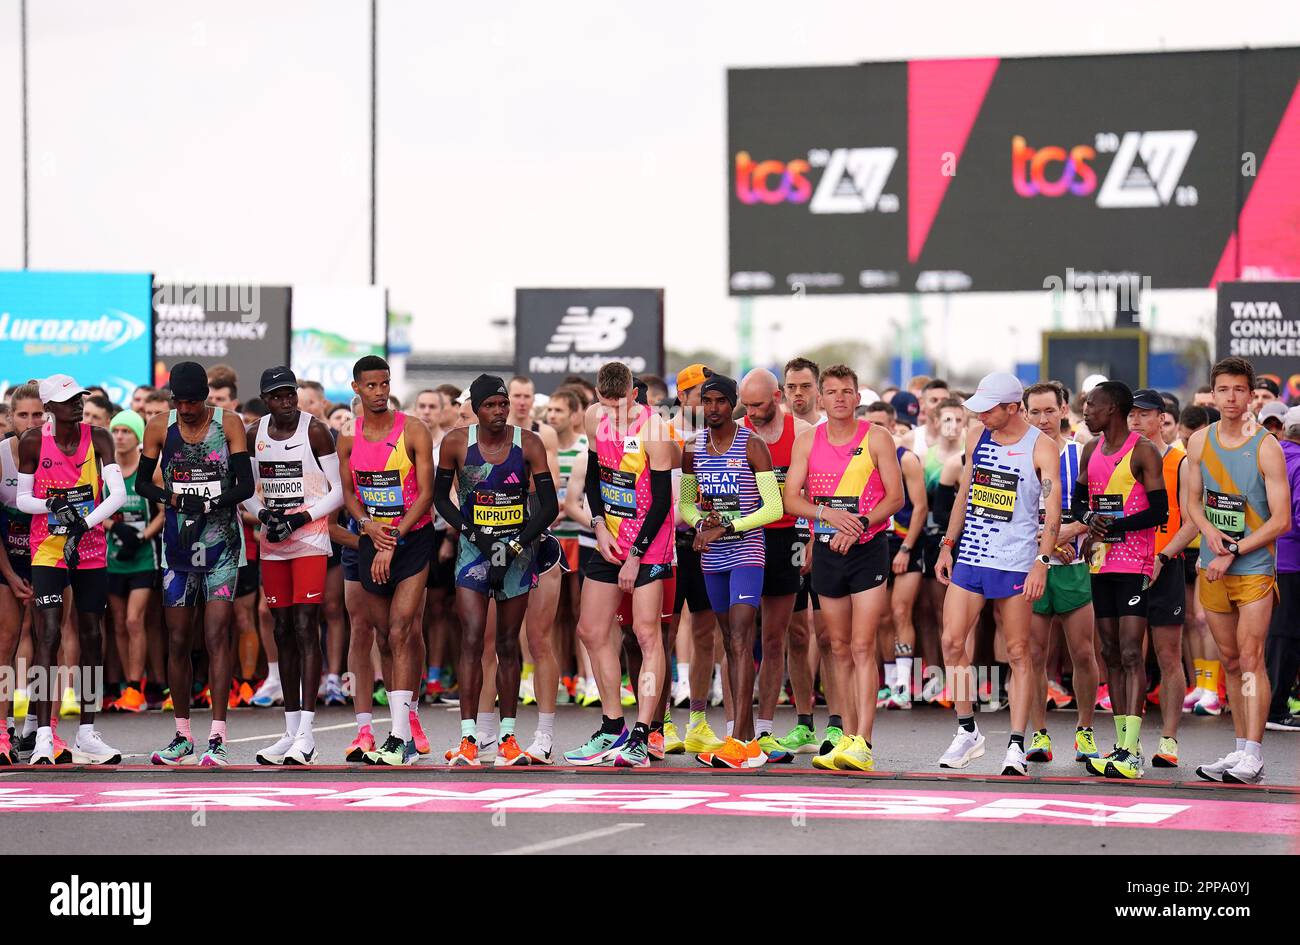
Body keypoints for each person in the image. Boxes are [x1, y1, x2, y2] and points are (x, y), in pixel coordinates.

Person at [934, 372, 1060, 776]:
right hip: (971, 554)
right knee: (952, 642)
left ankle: (1017, 745)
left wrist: (1042, 560)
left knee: (1019, 653)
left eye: (988, 409)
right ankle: (968, 730)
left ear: (1012, 408)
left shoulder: (1042, 446)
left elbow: (1052, 511)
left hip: (1016, 560)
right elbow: (965, 496)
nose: (980, 415)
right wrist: (947, 545)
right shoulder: (978, 435)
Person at [782, 365, 905, 772]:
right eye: (830, 392)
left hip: (869, 549)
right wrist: (828, 515)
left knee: (863, 645)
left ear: (857, 398)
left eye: (846, 391)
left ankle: (864, 742)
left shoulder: (877, 437)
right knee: (837, 648)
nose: (838, 398)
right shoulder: (806, 441)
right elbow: (790, 499)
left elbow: (896, 498)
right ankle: (847, 737)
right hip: (826, 548)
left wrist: (862, 525)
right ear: (821, 399)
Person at [434, 374, 558, 766]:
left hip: (517, 551)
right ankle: (469, 737)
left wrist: (517, 543)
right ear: (476, 408)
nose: (500, 412)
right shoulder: (456, 443)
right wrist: (474, 533)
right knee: (471, 637)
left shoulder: (529, 444)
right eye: (491, 405)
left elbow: (549, 506)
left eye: (503, 405)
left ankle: (507, 736)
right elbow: (440, 498)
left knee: (507, 642)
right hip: (475, 550)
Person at [136, 362, 254, 766]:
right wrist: (174, 500)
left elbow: (246, 485)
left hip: (221, 542)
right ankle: (182, 735)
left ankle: (217, 737)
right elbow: (141, 484)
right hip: (178, 546)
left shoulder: (230, 424)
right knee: (177, 639)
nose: (186, 409)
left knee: (217, 634)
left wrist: (210, 501)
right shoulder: (158, 426)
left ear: (205, 398)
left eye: (193, 402)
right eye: (179, 402)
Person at [1185, 358, 1292, 783]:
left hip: (1253, 568)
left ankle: (1254, 752)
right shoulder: (1198, 442)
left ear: (1251, 395)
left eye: (1239, 390)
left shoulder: (1267, 446)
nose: (1231, 398)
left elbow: (1281, 519)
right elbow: (1193, 501)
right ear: (1213, 394)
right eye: (1223, 390)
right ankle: (1238, 749)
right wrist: (1211, 534)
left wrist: (1234, 549)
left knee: (1251, 659)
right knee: (1229, 660)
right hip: (1212, 566)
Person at [564, 362, 676, 767]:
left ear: (633, 394)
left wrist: (635, 556)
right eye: (607, 405)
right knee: (591, 630)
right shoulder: (595, 418)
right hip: (610, 537)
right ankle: (613, 726)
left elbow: (662, 501)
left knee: (647, 634)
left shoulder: (654, 429)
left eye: (621, 405)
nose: (614, 414)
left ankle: (644, 734)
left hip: (650, 544)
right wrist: (598, 525)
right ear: (597, 395)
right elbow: (594, 478)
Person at [15, 375, 128, 764]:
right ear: (49, 407)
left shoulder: (99, 438)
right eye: (67, 400)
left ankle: (87, 733)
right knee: (47, 633)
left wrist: (85, 522)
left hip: (91, 547)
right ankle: (44, 734)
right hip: (47, 548)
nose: (77, 404)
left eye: (79, 397)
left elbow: (119, 494)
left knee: (92, 635)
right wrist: (53, 507)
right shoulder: (33, 441)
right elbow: (23, 498)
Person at [681, 373, 783, 767]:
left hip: (747, 552)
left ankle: (745, 740)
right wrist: (700, 524)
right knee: (728, 641)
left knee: (742, 637)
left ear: (733, 403)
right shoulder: (693, 450)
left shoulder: (753, 446)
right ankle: (738, 737)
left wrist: (729, 526)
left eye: (720, 401)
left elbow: (773, 508)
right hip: (713, 557)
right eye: (706, 402)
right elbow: (687, 504)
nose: (712, 408)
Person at [337, 357, 435, 766]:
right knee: (380, 636)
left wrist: (391, 538)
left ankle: (400, 735)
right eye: (372, 386)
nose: (380, 392)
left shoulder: (413, 429)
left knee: (401, 630)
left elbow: (427, 493)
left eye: (385, 384)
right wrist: (366, 526)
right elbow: (348, 494)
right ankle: (397, 731)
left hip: (410, 539)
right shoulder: (347, 436)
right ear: (356, 388)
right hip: (370, 540)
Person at [246, 367, 344, 766]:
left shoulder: (316, 431)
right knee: (281, 627)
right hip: (274, 543)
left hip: (309, 539)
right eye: (277, 396)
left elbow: (338, 491)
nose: (286, 401)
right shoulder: (255, 434)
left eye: (291, 394)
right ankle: (288, 732)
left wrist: (301, 518)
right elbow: (250, 492)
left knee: (306, 625)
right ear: (266, 399)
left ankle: (307, 732)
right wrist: (263, 515)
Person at [1072, 382, 1168, 780]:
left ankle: (1132, 749)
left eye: (1091, 405)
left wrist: (1117, 526)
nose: (1086, 410)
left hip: (1135, 563)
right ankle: (1119, 743)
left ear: (1112, 409)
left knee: (1131, 652)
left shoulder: (1143, 451)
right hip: (1100, 562)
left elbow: (1159, 511)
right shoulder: (1091, 450)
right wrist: (1090, 520)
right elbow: (1079, 500)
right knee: (1109, 651)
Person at [1020, 383, 1099, 765]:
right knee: (1033, 654)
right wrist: (1043, 544)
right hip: (1029, 565)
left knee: (1082, 652)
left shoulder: (1082, 454)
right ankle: (1039, 734)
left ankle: (1085, 732)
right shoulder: (1016, 455)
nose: (1042, 419)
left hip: (1072, 567)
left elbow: (1100, 511)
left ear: (1064, 409)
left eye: (1049, 411)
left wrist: (1071, 531)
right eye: (1034, 412)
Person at [740, 369, 815, 753]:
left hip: (788, 536)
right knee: (736, 637)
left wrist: (811, 538)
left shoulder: (801, 431)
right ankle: (738, 729)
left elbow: (812, 490)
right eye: (746, 405)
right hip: (745, 534)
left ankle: (767, 728)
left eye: (759, 404)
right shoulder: (738, 431)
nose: (751, 412)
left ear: (776, 395)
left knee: (779, 636)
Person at [1129, 388, 1201, 768]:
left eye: (1144, 414)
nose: (1136, 420)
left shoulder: (1180, 461)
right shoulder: (1118, 457)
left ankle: (1169, 740)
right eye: (1131, 414)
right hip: (1124, 565)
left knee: (1169, 655)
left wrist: (1163, 555)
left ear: (1161, 418)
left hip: (1164, 564)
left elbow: (1193, 522)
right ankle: (1129, 740)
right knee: (1128, 656)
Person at [863, 401, 929, 712]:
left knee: (901, 612)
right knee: (881, 617)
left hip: (905, 543)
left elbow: (920, 507)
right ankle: (889, 681)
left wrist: (905, 548)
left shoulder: (907, 459)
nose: (875, 429)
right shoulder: (859, 459)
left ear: (892, 426)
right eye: (870, 423)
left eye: (881, 423)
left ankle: (903, 684)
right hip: (874, 542)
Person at [104, 410, 163, 713]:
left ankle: (134, 687)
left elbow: (165, 512)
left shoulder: (148, 470)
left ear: (138, 436)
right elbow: (93, 509)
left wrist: (141, 537)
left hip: (143, 557)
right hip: (113, 557)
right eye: (116, 430)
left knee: (133, 619)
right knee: (118, 623)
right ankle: (128, 687)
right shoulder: (106, 470)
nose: (121, 436)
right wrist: (115, 527)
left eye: (127, 431)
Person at [1265, 405, 1300, 732]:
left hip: (1269, 557)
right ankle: (1275, 709)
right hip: (1293, 558)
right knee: (1285, 636)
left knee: (1277, 635)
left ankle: (1272, 705)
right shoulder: (1299, 464)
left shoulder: (1273, 458)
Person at [783, 357, 824, 427]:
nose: (798, 392)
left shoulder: (832, 429)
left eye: (805, 386)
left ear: (818, 389)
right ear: (785, 391)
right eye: (791, 387)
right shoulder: (776, 431)